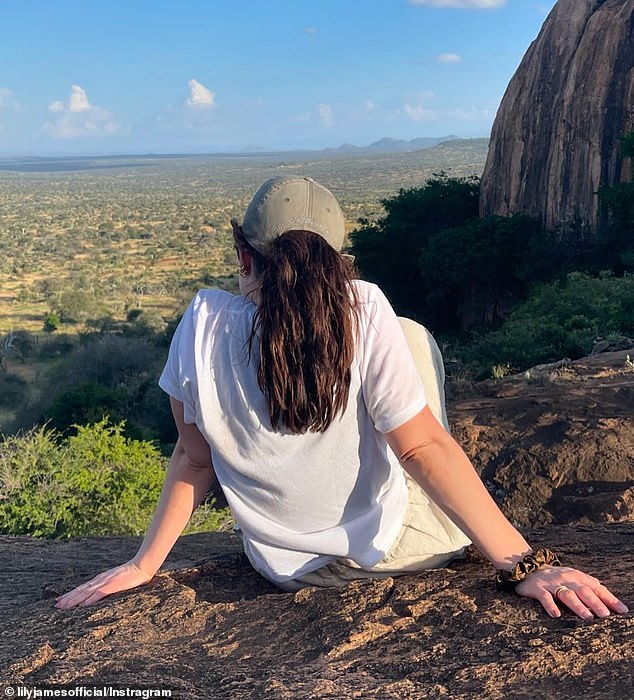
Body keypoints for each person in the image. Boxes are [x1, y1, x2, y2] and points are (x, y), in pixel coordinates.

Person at [57, 176, 628, 620]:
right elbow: (422, 448)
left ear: (242, 253)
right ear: (335, 256)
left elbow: (192, 458)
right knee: (410, 336)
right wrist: (523, 564)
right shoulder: (365, 307)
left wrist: (143, 564)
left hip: (278, 568)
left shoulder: (200, 322)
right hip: (388, 554)